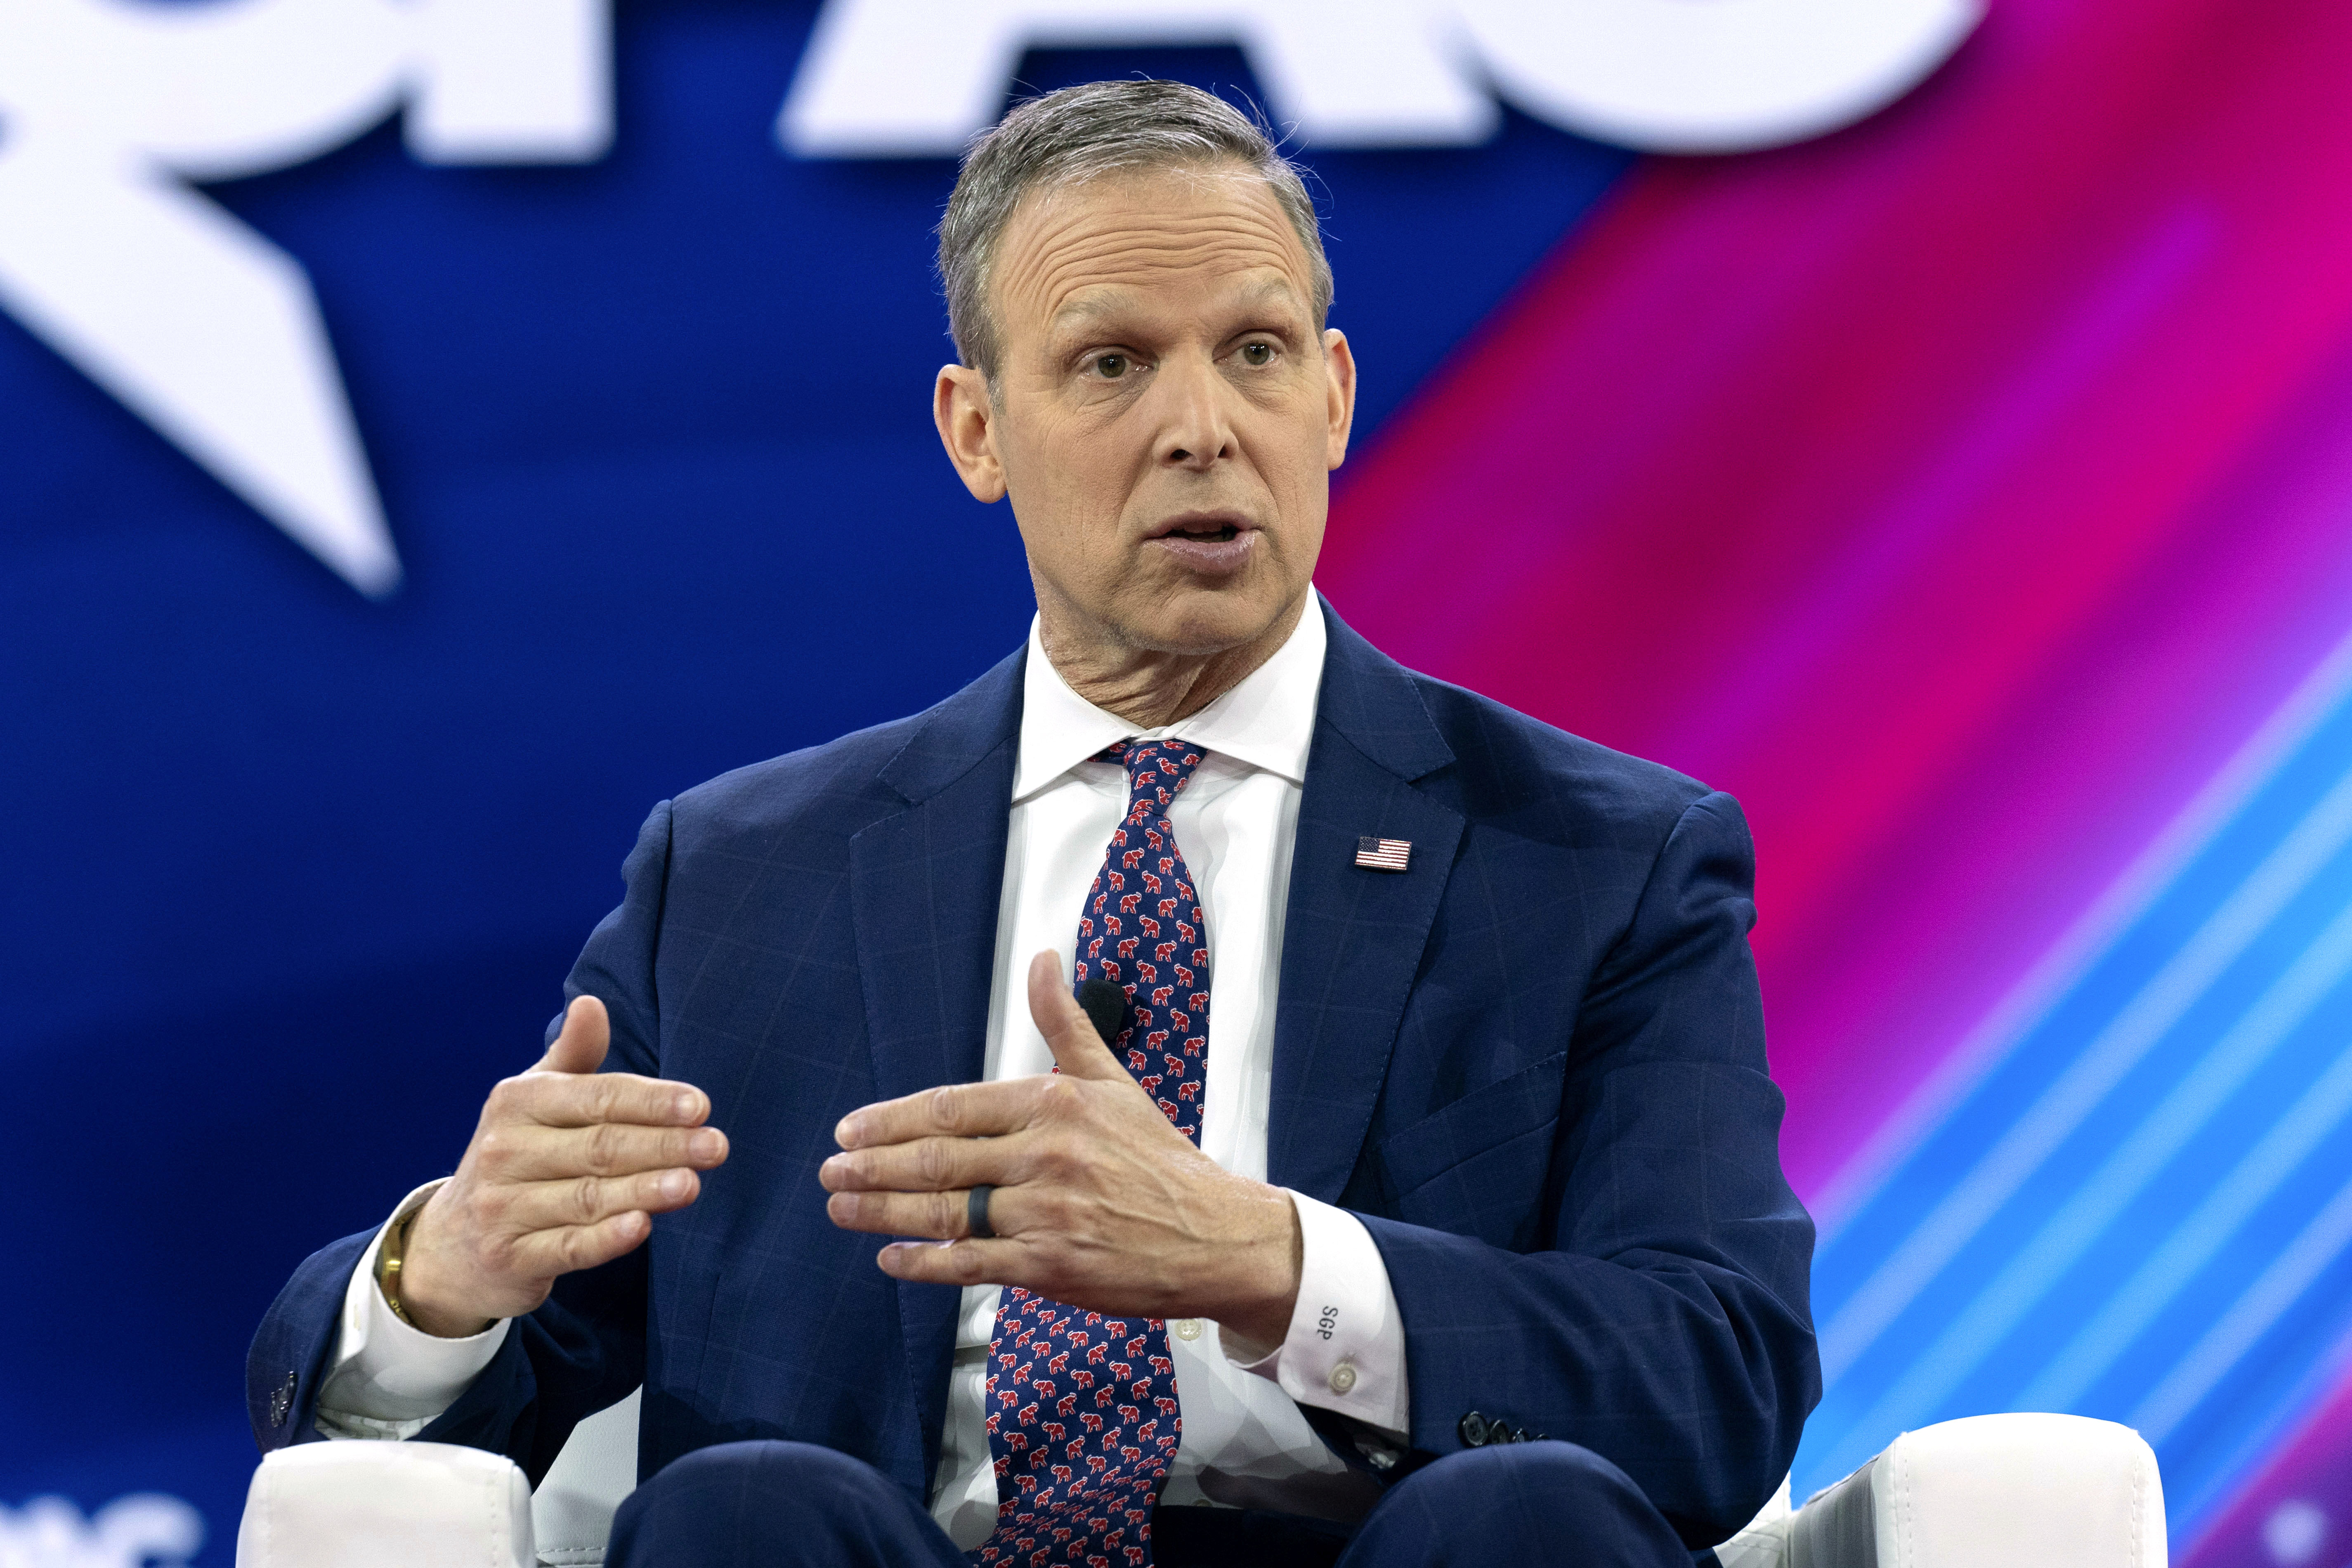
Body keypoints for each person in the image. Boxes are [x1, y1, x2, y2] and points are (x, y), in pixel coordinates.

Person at [247, 79, 1817, 1568]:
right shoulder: (737, 881)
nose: (1203, 426)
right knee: (740, 1513)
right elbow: (495, 1398)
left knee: (1528, 1517)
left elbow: (1717, 1379)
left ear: (1333, 398)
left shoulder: (1598, 860)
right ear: (977, 432)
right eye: (1114, 363)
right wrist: (439, 1281)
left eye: (1257, 352)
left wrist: (1267, 1265)